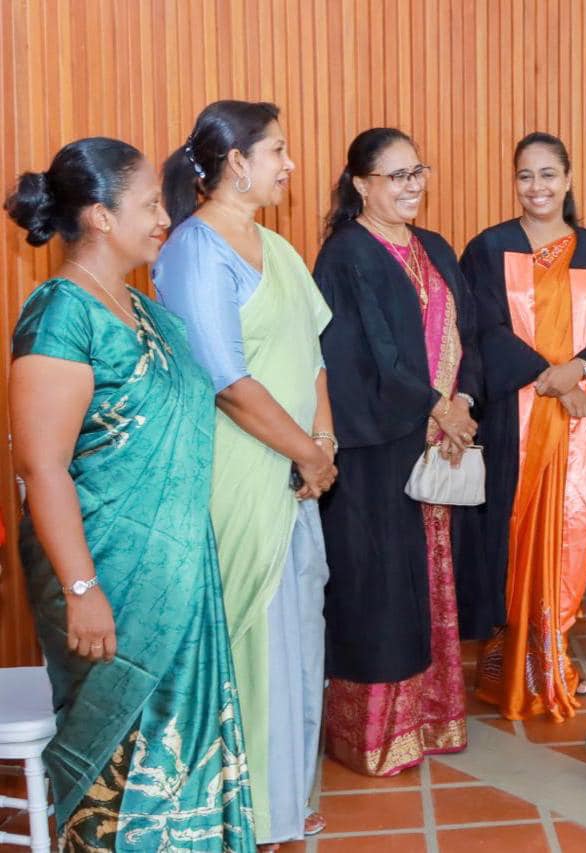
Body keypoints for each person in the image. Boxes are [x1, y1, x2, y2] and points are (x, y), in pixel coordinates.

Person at [5, 138, 254, 849]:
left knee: (185, 749)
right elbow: (43, 468)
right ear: (100, 216)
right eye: (149, 205)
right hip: (107, 577)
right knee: (124, 756)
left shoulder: (147, 312)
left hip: (180, 571)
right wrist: (82, 588)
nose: (165, 218)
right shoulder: (62, 313)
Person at [155, 101, 334, 850]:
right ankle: (244, 806)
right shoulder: (193, 251)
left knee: (298, 635)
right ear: (236, 163)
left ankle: (285, 798)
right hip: (236, 473)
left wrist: (322, 440)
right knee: (253, 639)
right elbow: (226, 382)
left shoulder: (279, 248)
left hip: (295, 468)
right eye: (277, 151)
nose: (289, 165)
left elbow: (313, 354)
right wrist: (306, 453)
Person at [462, 132, 586, 722]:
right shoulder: (488, 249)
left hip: (576, 422)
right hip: (511, 419)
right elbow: (480, 329)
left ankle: (551, 652)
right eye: (525, 175)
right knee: (507, 529)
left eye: (548, 174)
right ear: (513, 181)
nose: (536, 186)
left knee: (566, 529)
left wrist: (580, 369)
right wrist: (551, 378)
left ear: (568, 179)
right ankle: (505, 658)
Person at [313, 127, 479, 775]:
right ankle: (378, 734)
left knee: (431, 583)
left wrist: (463, 402)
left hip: (438, 445)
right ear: (361, 184)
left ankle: (432, 716)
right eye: (397, 175)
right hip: (378, 453)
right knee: (379, 587)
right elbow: (366, 356)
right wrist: (435, 405)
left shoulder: (434, 247)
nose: (413, 186)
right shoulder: (345, 255)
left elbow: (470, 332)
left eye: (418, 172)